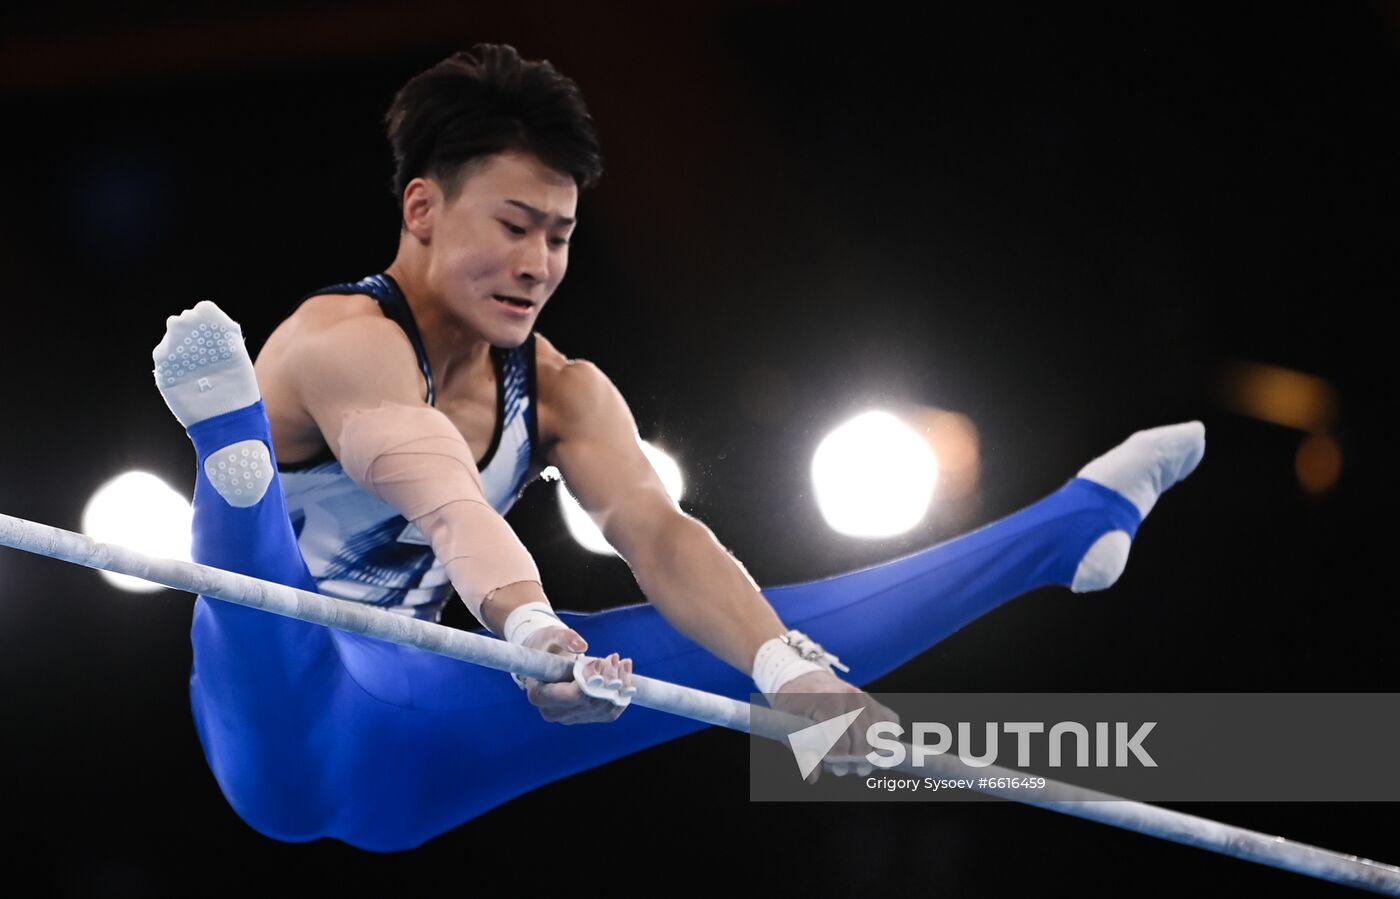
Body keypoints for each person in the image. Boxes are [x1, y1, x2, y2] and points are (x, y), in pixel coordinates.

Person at [152, 44, 1206, 852]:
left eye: (559, 234)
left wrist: (783, 670)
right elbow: (444, 500)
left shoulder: (561, 390)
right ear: (420, 208)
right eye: (513, 224)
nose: (537, 263)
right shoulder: (340, 342)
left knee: (761, 637)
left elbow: (659, 532)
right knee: (259, 609)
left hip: (425, 720)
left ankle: (1075, 525)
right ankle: (229, 448)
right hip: (281, 725)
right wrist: (531, 627)